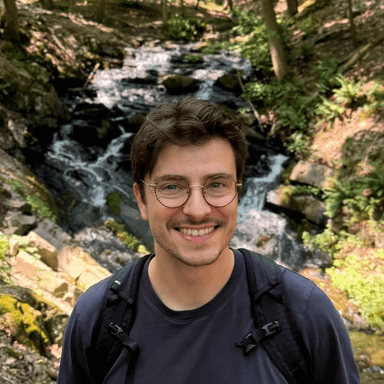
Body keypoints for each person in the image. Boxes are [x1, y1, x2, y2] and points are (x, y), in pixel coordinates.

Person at [57, 97, 360, 383]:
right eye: (172, 186)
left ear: (238, 192)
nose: (198, 210)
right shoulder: (96, 320)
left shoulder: (303, 312)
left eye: (217, 184)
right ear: (141, 199)